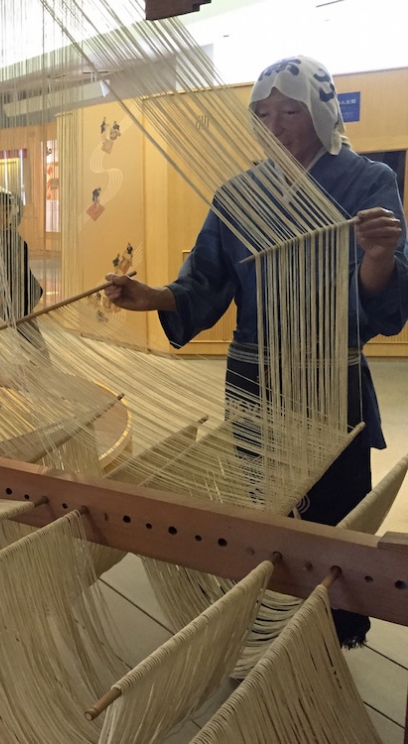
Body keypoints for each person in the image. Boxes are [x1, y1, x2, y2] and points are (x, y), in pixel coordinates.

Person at [104, 56, 408, 647]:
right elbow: (207, 278)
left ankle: (335, 627)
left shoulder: (368, 182)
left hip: (328, 369)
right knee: (263, 499)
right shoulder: (240, 192)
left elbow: (386, 290)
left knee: (337, 504)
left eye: (291, 110)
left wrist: (375, 257)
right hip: (256, 370)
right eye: (264, 113)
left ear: (321, 112)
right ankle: (271, 615)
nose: (277, 124)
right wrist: (153, 297)